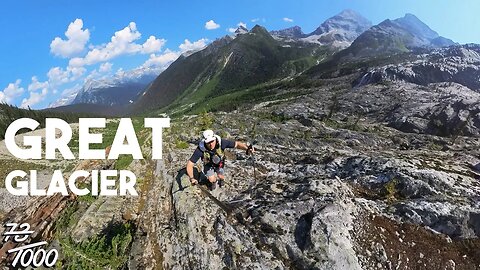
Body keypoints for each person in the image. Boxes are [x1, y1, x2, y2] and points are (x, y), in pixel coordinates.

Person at [186, 129, 254, 190]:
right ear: (204, 142)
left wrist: (247, 148)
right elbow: (190, 164)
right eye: (208, 142)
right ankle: (213, 182)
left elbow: (236, 144)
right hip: (208, 165)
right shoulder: (200, 149)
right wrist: (192, 178)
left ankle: (221, 180)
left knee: (221, 175)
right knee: (211, 179)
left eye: (212, 141)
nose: (211, 144)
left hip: (220, 163)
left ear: (215, 138)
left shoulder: (221, 142)